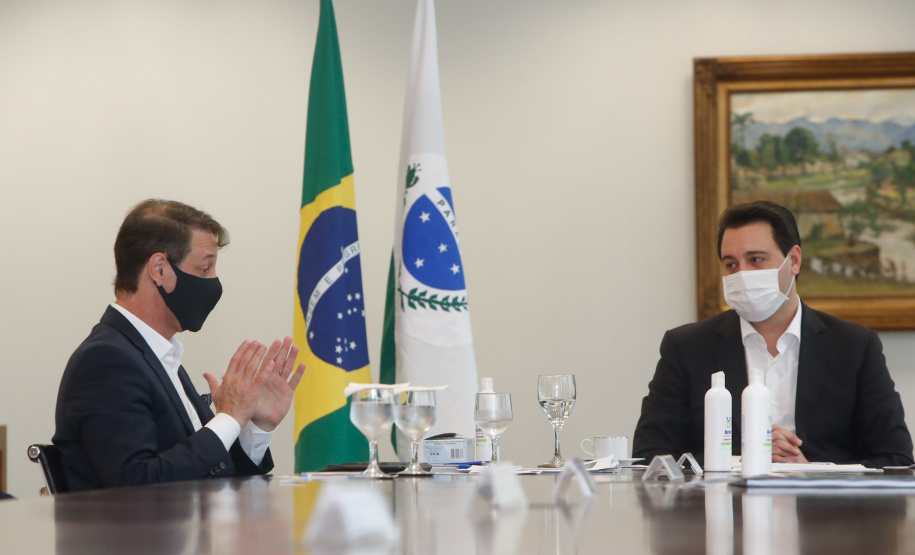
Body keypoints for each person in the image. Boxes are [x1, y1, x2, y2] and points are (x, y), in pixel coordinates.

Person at [633, 200, 913, 468]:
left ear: (793, 260)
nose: (742, 274)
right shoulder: (686, 347)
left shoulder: (855, 347)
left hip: (825, 515)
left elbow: (895, 460)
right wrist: (742, 459)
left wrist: (811, 473)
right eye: (731, 264)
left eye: (756, 260)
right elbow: (649, 457)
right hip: (722, 512)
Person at [54, 199, 305, 492]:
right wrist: (229, 418)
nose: (214, 282)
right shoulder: (106, 361)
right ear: (159, 269)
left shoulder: (159, 355)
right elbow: (136, 485)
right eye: (204, 269)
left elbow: (212, 474)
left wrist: (253, 426)